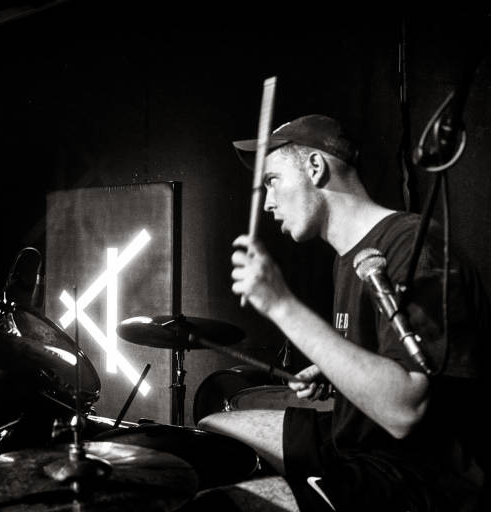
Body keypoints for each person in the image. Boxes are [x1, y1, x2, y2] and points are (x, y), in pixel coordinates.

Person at [197, 115, 488, 511]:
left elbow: (406, 409)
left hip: (414, 477)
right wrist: (336, 371)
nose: (266, 203)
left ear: (315, 168)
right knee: (211, 431)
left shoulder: (411, 246)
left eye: (272, 181)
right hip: (352, 441)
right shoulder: (346, 259)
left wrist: (280, 305)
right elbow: (390, 361)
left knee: (219, 507)